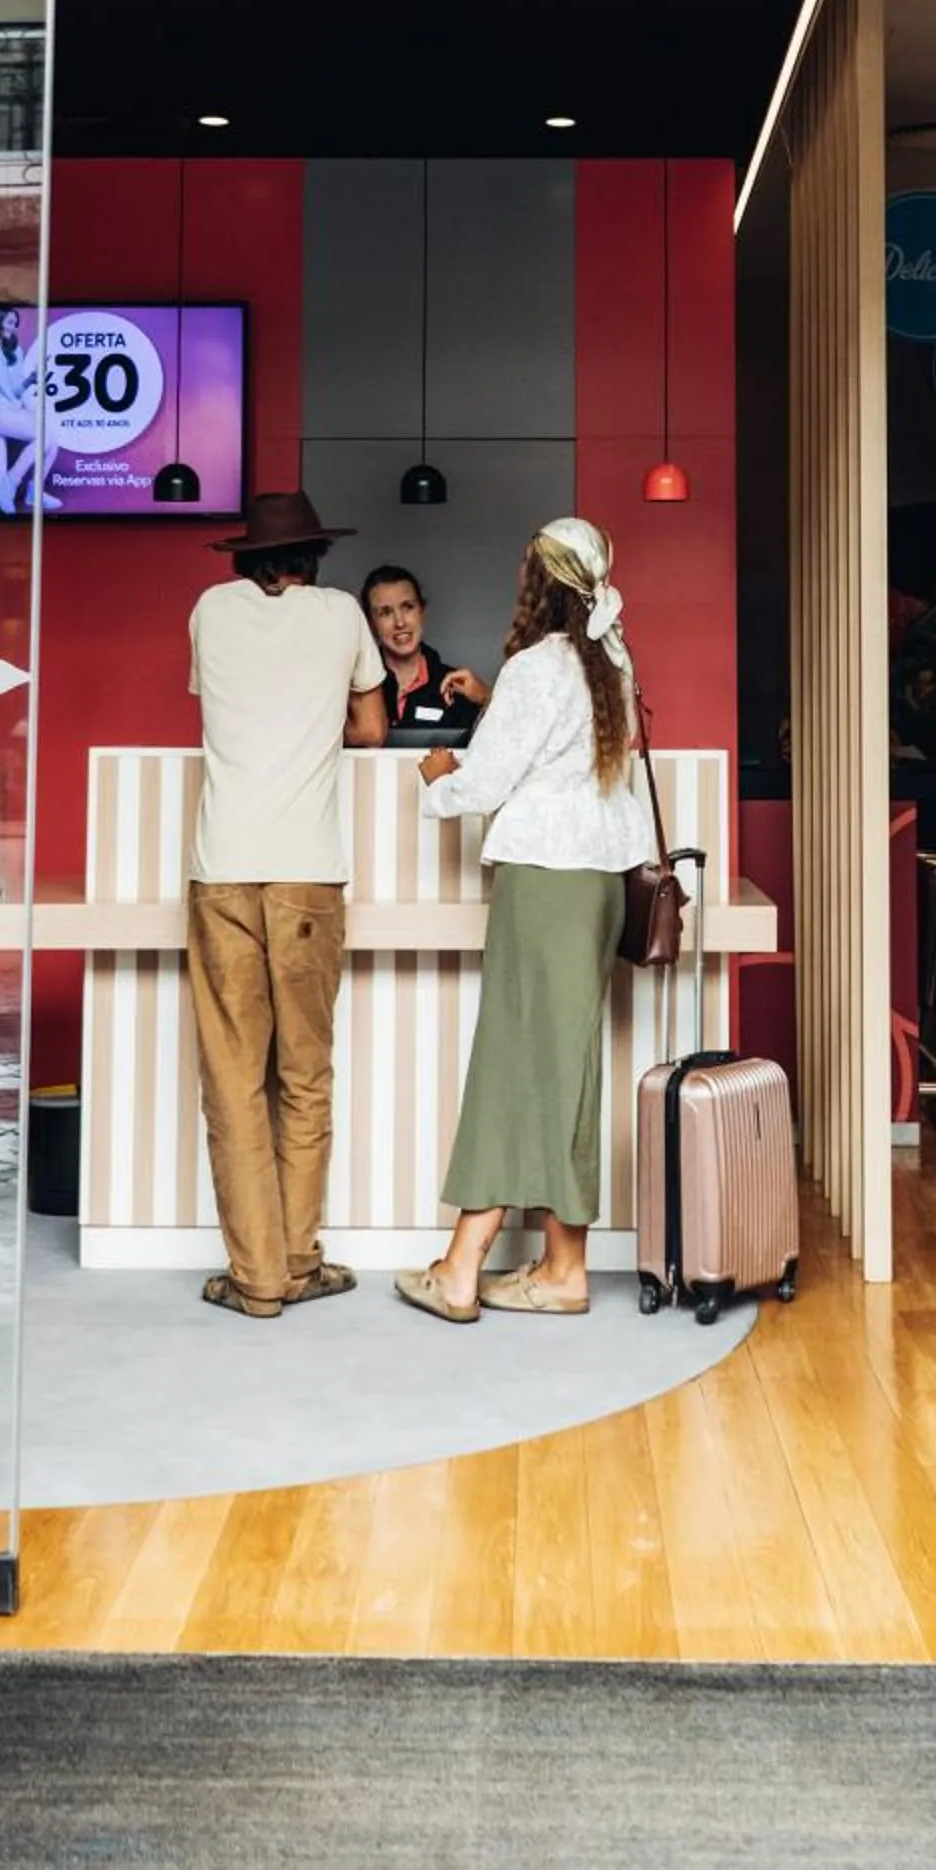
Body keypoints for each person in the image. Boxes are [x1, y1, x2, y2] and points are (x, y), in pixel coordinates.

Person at [395, 517, 651, 1325]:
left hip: (545, 881)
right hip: (601, 881)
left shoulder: (539, 667)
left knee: (514, 1059)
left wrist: (437, 778)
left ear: (538, 583)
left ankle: (462, 1266)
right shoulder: (611, 655)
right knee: (568, 1067)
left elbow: (486, 781)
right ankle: (564, 1269)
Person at [186, 488, 389, 1320]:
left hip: (221, 869)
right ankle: (300, 1262)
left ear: (244, 558)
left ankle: (257, 1281)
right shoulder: (343, 615)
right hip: (308, 872)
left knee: (234, 1081)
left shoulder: (209, 610)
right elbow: (373, 731)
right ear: (314, 558)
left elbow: (215, 706)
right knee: (304, 1077)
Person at [359, 565, 491, 731]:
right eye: (385, 613)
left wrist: (488, 698)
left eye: (408, 607)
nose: (400, 622)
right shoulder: (357, 689)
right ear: (370, 623)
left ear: (422, 611)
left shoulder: (459, 686)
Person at [0, 306, 57, 515]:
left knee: (52, 440)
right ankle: (9, 485)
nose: (13, 327)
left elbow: (15, 391)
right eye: (9, 322)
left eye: (15, 324)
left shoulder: (15, 351)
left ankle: (34, 491)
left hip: (13, 410)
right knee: (43, 437)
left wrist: (31, 380)